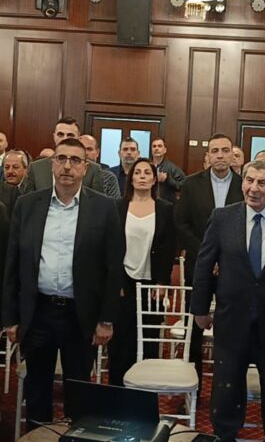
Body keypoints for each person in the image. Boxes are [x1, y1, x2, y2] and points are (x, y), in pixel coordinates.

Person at [2, 138, 124, 430]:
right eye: (61, 159)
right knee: (37, 390)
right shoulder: (27, 204)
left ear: (86, 167)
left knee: (78, 393)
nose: (67, 166)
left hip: (80, 315)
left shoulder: (105, 207)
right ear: (52, 164)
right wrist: (10, 317)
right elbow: (13, 264)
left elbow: (113, 268)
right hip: (38, 312)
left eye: (75, 160)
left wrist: (106, 320)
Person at [191, 159, 265, 442]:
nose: (253, 188)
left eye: (262, 183)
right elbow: (203, 265)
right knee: (226, 390)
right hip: (232, 321)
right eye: (249, 180)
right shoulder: (222, 218)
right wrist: (199, 309)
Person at [175, 133, 243, 387]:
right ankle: (192, 386)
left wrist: (223, 257)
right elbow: (181, 223)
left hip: (234, 267)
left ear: (233, 155)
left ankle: (226, 386)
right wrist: (208, 256)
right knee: (194, 327)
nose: (220, 155)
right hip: (200, 266)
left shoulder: (244, 184)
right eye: (215, 151)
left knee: (231, 327)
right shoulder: (191, 184)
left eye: (225, 150)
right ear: (207, 156)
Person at [108, 158, 176, 386]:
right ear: (131, 178)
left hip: (152, 283)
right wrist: (115, 281)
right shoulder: (118, 206)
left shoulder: (165, 209)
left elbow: (168, 249)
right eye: (138, 173)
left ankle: (144, 394)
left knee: (148, 341)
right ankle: (118, 392)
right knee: (121, 341)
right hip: (123, 281)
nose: (142, 176)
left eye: (147, 172)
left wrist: (162, 281)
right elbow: (111, 246)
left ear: (155, 179)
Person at [22, 117, 103, 194]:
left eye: (70, 135)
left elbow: (97, 201)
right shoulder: (36, 168)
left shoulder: (93, 169)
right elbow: (27, 201)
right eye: (60, 134)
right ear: (54, 136)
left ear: (78, 139)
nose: (65, 138)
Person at [79, 134, 120, 199]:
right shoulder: (71, 175)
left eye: (89, 149)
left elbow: (115, 204)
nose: (86, 153)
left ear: (97, 152)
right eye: (82, 149)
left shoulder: (109, 178)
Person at [151, 137, 186, 203]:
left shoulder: (172, 168)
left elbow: (184, 186)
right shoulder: (147, 166)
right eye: (154, 146)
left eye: (159, 146)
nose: (156, 148)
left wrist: (168, 180)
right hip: (149, 204)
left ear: (165, 150)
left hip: (167, 205)